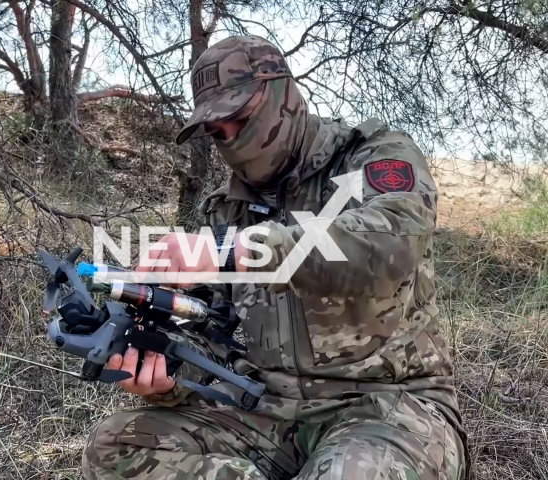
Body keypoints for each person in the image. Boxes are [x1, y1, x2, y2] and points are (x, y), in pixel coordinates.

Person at [81, 35, 469, 480]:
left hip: (386, 407)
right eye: (215, 133)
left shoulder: (371, 156)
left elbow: (391, 244)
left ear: (282, 92)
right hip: (263, 410)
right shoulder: (225, 207)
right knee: (117, 446)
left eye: (239, 119)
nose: (229, 140)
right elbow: (213, 331)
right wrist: (168, 375)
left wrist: (236, 251)